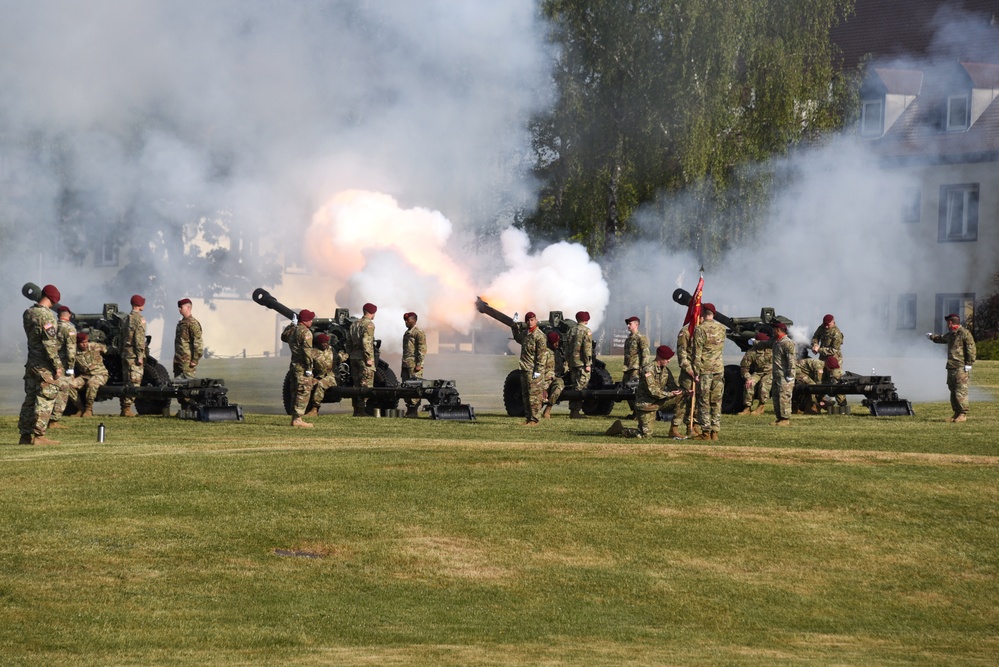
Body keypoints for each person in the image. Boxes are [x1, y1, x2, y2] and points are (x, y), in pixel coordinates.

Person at [18, 284, 63, 445]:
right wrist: (57, 365)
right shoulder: (48, 317)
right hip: (44, 365)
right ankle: (39, 436)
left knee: (30, 399)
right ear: (53, 299)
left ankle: (24, 435)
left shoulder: (28, 313)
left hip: (31, 363)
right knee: (45, 398)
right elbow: (49, 344)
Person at [606, 345, 683, 439]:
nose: (669, 361)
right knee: (645, 435)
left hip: (659, 401)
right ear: (659, 357)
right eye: (667, 358)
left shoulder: (666, 371)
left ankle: (674, 430)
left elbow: (672, 387)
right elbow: (653, 391)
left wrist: (684, 391)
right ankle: (619, 429)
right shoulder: (648, 370)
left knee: (682, 398)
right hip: (646, 405)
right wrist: (670, 394)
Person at [927, 313, 976, 422]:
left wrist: (969, 363)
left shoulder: (964, 333)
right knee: (953, 389)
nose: (947, 325)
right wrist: (931, 337)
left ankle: (963, 414)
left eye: (947, 323)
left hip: (960, 367)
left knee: (960, 390)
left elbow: (971, 348)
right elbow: (941, 338)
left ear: (950, 323)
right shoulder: (952, 334)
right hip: (951, 366)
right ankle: (956, 413)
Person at [691, 303, 727, 441]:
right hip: (718, 369)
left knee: (704, 401)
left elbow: (697, 353)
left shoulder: (700, 330)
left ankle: (706, 431)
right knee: (717, 401)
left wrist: (696, 372)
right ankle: (715, 432)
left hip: (705, 370)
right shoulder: (722, 329)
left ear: (702, 313)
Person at [282, 309, 316, 427]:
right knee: (303, 391)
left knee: (295, 391)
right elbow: (307, 352)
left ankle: (294, 417)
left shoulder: (293, 330)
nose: (312, 321)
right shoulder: (306, 333)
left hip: (294, 365)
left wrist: (292, 324)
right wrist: (310, 368)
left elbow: (283, 337)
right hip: (302, 366)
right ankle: (298, 419)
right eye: (310, 319)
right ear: (305, 320)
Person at [512, 311, 546, 425]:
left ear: (536, 320)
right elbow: (517, 338)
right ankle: (529, 418)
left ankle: (535, 419)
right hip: (524, 368)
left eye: (532, 320)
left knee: (534, 396)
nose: (530, 322)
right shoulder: (526, 333)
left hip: (534, 370)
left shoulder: (539, 336)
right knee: (526, 395)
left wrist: (538, 371)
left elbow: (541, 356)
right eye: (528, 320)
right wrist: (514, 325)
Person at [47, 305, 78, 429]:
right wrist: (71, 368)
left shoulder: (51, 326)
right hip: (63, 366)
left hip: (50, 363)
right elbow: (71, 350)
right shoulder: (69, 328)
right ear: (69, 314)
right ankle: (54, 420)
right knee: (63, 391)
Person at [669, 323, 699, 439]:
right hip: (688, 373)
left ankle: (692, 425)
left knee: (696, 399)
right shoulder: (686, 331)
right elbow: (682, 354)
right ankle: (674, 427)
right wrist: (689, 369)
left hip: (700, 372)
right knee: (683, 399)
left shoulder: (702, 329)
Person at [118, 294, 147, 417]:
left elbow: (120, 337)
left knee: (126, 381)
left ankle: (124, 407)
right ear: (138, 305)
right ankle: (127, 409)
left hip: (125, 354)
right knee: (134, 382)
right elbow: (139, 339)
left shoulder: (125, 318)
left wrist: (121, 351)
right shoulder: (139, 319)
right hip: (134, 355)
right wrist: (140, 355)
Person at [347, 303, 377, 417]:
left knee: (356, 385)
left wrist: (350, 353)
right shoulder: (369, 324)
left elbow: (348, 341)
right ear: (372, 312)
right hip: (364, 359)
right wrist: (368, 358)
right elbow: (366, 342)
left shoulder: (354, 324)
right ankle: (361, 410)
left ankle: (356, 409)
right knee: (365, 385)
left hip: (354, 357)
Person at [305, 333, 345, 417]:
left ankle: (315, 409)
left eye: (327, 342)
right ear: (319, 343)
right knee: (307, 385)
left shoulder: (331, 350)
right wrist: (311, 378)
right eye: (323, 343)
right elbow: (309, 367)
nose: (325, 344)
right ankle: (304, 408)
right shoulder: (313, 353)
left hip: (332, 376)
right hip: (319, 376)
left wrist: (344, 353)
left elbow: (338, 359)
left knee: (321, 384)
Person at [811, 314, 846, 408]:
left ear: (833, 322)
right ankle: (823, 402)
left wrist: (819, 350)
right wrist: (815, 345)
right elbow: (815, 336)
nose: (826, 327)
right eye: (825, 324)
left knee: (835, 380)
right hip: (823, 359)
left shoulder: (836, 333)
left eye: (828, 325)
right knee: (822, 380)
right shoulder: (821, 327)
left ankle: (842, 404)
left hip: (834, 360)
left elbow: (834, 350)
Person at [72, 332, 108, 418]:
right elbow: (69, 364)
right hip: (85, 375)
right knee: (69, 385)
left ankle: (89, 409)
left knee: (92, 383)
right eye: (82, 342)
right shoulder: (74, 352)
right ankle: (80, 408)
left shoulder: (94, 346)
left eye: (86, 341)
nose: (84, 344)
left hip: (100, 374)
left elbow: (108, 350)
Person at [565, 311, 593, 419]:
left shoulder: (571, 330)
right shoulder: (587, 331)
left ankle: (573, 411)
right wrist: (588, 363)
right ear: (586, 320)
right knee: (580, 387)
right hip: (581, 363)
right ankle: (575, 412)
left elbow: (567, 347)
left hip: (573, 363)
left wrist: (568, 360)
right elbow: (587, 349)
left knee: (574, 386)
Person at [737, 331, 772, 416]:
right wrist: (748, 378)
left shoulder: (772, 350)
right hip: (758, 372)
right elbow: (744, 368)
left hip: (771, 372)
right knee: (749, 384)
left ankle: (761, 406)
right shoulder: (752, 352)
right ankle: (747, 408)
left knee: (764, 384)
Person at [622, 316, 650, 418]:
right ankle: (635, 411)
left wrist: (643, 368)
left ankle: (638, 412)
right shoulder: (629, 338)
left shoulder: (641, 338)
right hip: (628, 368)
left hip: (636, 368)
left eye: (630, 324)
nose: (628, 326)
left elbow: (645, 353)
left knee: (635, 390)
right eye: (628, 324)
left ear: (636, 325)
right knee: (626, 390)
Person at [401, 312, 427, 418]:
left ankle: (414, 409)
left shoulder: (418, 332)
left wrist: (419, 364)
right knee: (406, 386)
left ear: (414, 320)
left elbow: (422, 349)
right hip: (406, 363)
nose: (406, 322)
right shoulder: (407, 333)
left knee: (415, 386)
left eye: (408, 320)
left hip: (414, 365)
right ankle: (409, 408)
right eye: (405, 320)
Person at [771, 321, 796, 426]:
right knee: (776, 396)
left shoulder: (787, 342)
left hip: (785, 376)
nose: (772, 331)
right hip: (777, 375)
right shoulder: (777, 342)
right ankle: (779, 418)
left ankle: (785, 419)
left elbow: (791, 360)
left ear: (778, 330)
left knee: (784, 397)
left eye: (774, 329)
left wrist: (790, 375)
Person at [173, 298, 204, 379]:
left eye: (181, 307)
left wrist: (195, 360)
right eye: (179, 308)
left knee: (187, 386)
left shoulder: (193, 324)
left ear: (188, 308)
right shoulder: (182, 323)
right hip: (178, 361)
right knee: (177, 387)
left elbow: (198, 343)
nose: (179, 309)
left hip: (187, 363)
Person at [541, 331, 565, 419]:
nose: (557, 344)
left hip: (555, 378)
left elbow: (561, 369)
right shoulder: (544, 353)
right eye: (556, 342)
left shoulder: (558, 353)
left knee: (559, 387)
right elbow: (539, 369)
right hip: (544, 380)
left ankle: (548, 409)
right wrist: (543, 388)